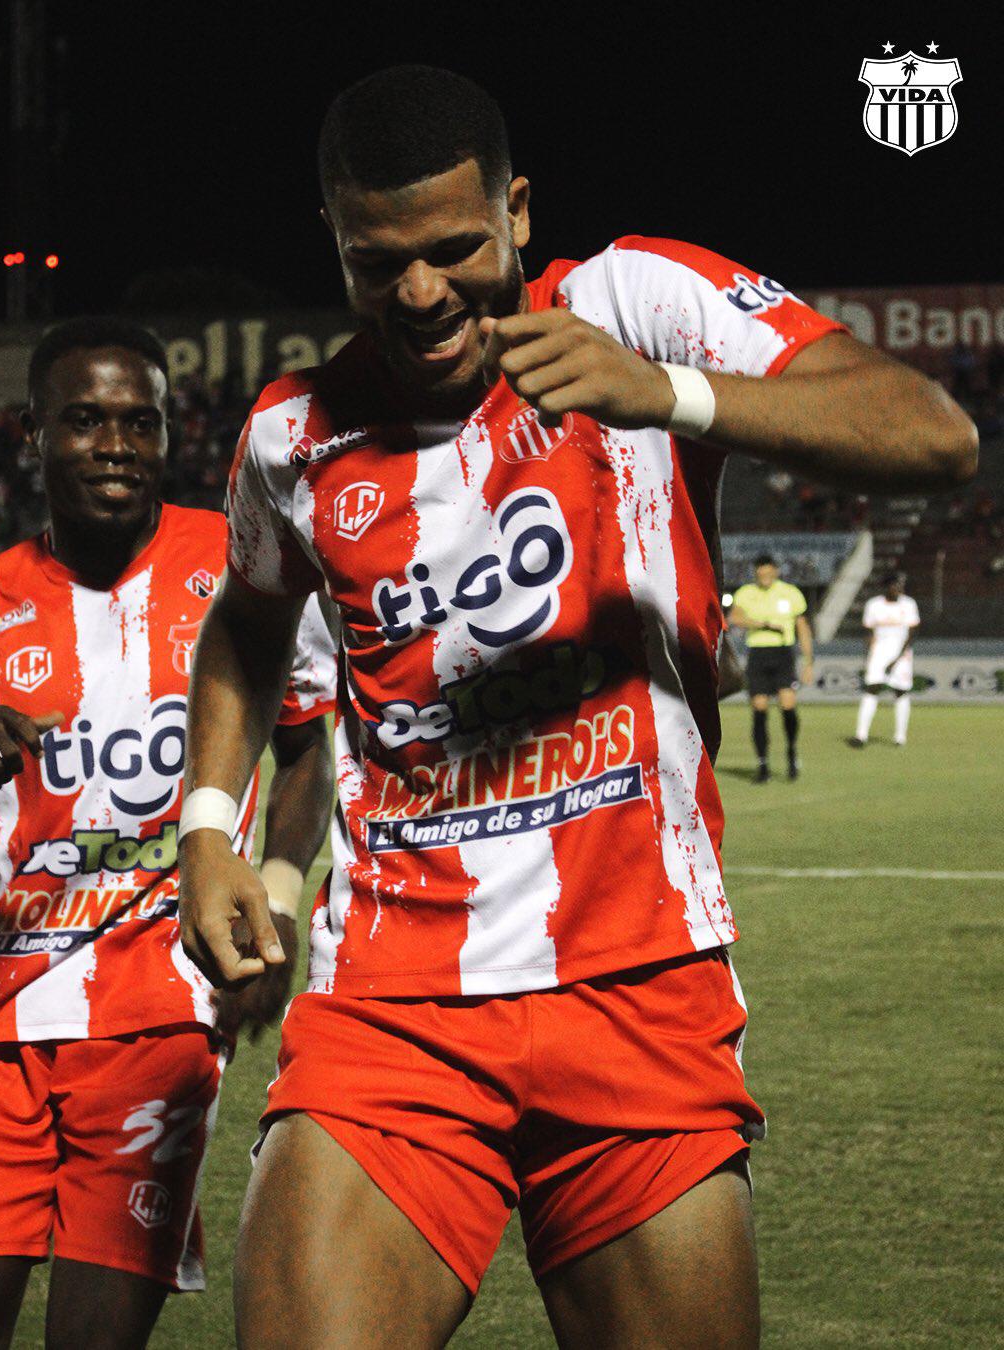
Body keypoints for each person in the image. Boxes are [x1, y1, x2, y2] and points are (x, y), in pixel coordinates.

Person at [177, 66, 977, 1350]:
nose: (423, 294)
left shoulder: (634, 301)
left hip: (640, 981)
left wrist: (667, 393)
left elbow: (933, 436)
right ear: (334, 240)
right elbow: (250, 619)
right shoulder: (291, 435)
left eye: (454, 249)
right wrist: (212, 823)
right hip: (393, 1004)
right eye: (380, 262)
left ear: (519, 212)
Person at [0, 318, 333, 1349]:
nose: (116, 444)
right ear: (30, 433)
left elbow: (308, 753)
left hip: (160, 1017)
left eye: (138, 422)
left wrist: (275, 893)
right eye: (85, 421)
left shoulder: (244, 572)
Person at [728, 555, 814, 782]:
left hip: (783, 653)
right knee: (759, 708)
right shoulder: (746, 593)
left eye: (768, 573)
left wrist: (808, 662)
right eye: (760, 574)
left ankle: (791, 751)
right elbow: (734, 618)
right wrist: (763, 624)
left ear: (776, 571)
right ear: (756, 573)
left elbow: (803, 628)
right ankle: (763, 765)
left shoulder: (790, 593)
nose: (764, 577)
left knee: (788, 705)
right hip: (757, 653)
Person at [851, 573, 920, 747]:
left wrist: (897, 659)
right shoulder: (874, 605)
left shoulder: (909, 604)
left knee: (901, 691)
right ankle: (861, 735)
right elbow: (868, 632)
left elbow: (911, 634)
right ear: (887, 586)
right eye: (895, 585)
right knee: (871, 689)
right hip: (878, 653)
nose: (899, 589)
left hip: (901, 655)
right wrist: (870, 653)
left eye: (901, 586)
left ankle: (900, 737)